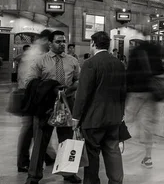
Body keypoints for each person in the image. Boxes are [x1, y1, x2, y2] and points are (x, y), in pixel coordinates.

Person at [23, 30, 81, 184]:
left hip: (66, 105)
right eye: (58, 42)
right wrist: (50, 88)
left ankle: (68, 173)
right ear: (50, 43)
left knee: (66, 141)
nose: (62, 44)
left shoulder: (72, 61)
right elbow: (29, 82)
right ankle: (33, 176)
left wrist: (70, 89)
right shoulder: (40, 61)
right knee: (40, 141)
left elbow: (78, 80)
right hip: (46, 107)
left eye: (64, 41)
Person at [72, 31, 126, 184]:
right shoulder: (119, 63)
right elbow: (123, 91)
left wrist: (76, 117)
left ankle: (91, 181)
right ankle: (116, 181)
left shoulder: (90, 63)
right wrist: (121, 113)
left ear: (93, 44)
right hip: (114, 117)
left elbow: (83, 94)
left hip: (93, 118)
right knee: (113, 150)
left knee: (92, 153)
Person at [17, 31, 56, 174]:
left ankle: (48, 155)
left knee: (36, 127)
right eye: (50, 41)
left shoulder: (38, 51)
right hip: (31, 95)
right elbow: (29, 78)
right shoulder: (36, 54)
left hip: (33, 94)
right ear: (45, 39)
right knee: (29, 129)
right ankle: (23, 162)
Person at [125, 41, 164, 168]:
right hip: (150, 92)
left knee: (128, 120)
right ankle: (148, 157)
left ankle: (120, 148)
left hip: (135, 92)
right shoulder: (154, 50)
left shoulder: (136, 52)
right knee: (147, 125)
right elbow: (161, 69)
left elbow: (129, 73)